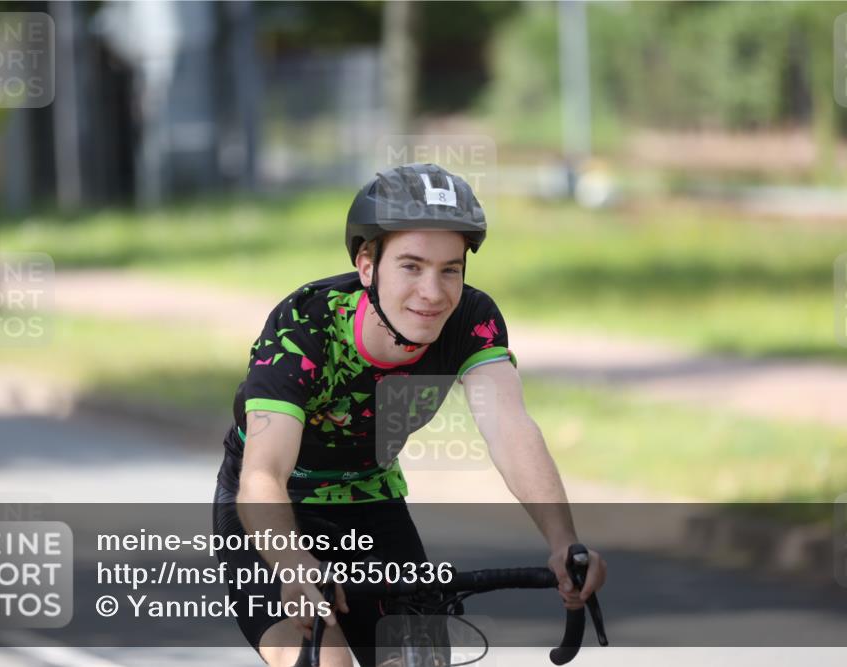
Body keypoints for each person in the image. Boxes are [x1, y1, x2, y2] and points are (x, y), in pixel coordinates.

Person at [213, 163, 607, 667]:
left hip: (371, 499)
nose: (433, 292)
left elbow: (509, 429)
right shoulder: (304, 328)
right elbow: (263, 473)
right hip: (274, 510)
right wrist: (291, 566)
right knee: (323, 661)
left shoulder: (471, 321)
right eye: (411, 266)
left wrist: (563, 542)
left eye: (451, 269)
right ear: (367, 267)